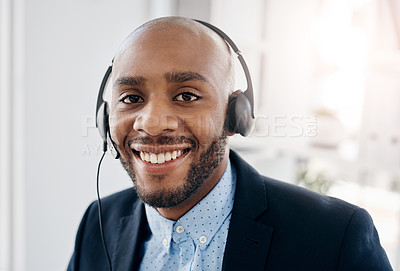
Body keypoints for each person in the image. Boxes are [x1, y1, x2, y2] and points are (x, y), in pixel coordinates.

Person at [67, 16, 393, 271]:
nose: (151, 123)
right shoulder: (98, 223)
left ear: (236, 115)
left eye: (186, 95)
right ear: (105, 118)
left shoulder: (334, 238)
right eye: (132, 97)